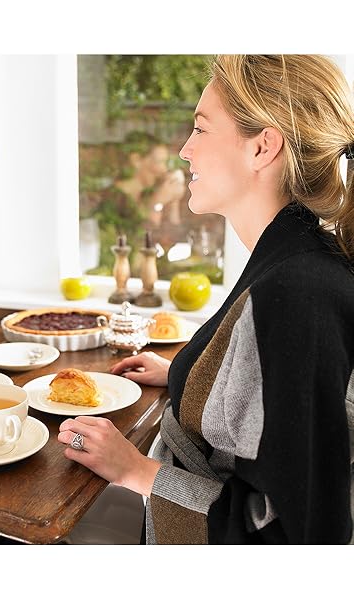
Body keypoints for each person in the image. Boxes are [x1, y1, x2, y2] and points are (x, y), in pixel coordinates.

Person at [63, 54, 354, 544]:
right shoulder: (294, 257)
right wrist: (187, 370)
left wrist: (133, 469)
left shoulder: (296, 294)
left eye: (200, 129)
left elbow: (288, 534)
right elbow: (265, 392)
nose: (183, 150)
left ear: (263, 147)